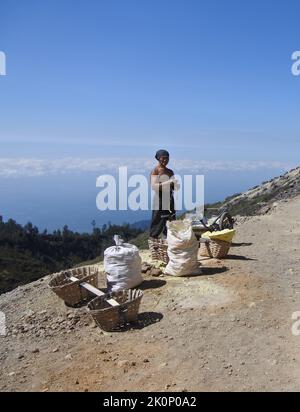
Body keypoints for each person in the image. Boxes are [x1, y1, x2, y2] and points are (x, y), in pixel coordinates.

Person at [149, 149, 177, 238]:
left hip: (169, 197)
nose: (165, 160)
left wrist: (175, 184)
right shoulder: (155, 171)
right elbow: (154, 186)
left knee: (171, 219)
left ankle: (169, 241)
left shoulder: (170, 171)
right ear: (158, 158)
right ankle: (154, 241)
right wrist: (169, 182)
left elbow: (174, 187)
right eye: (163, 158)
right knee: (157, 220)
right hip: (159, 198)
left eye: (167, 158)